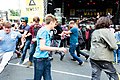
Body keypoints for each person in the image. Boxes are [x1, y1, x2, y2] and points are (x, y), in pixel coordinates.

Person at [33, 14, 67, 80]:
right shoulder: (43, 31)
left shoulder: (47, 31)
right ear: (51, 22)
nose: (55, 25)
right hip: (39, 59)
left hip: (45, 58)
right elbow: (42, 47)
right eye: (54, 23)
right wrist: (58, 49)